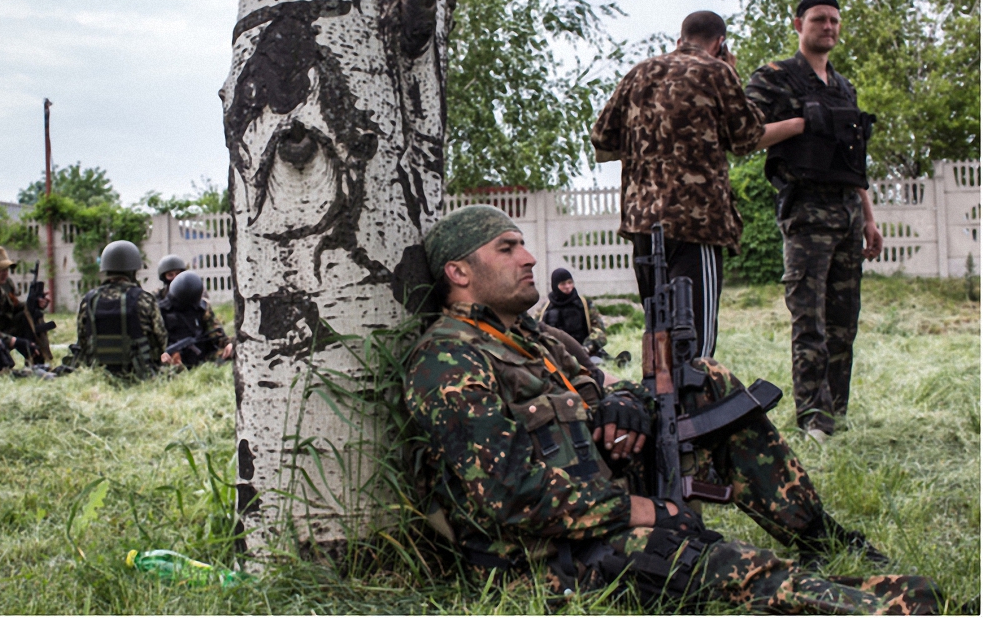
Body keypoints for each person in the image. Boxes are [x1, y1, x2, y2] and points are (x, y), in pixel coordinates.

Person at [403, 204, 942, 613]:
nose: (530, 258)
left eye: (523, 245)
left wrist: (622, 404)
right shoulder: (448, 360)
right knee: (719, 565)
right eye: (507, 247)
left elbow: (601, 380)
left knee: (704, 382)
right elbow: (509, 494)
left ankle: (820, 538)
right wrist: (648, 511)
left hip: (603, 494)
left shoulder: (534, 337)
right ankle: (892, 604)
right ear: (459, 272)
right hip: (546, 552)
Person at [591, 10, 807, 359]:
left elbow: (601, 136)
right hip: (697, 224)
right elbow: (747, 136)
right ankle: (693, 409)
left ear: (680, 39)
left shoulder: (639, 73)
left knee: (658, 341)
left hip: (643, 225)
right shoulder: (717, 71)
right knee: (695, 346)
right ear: (720, 43)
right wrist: (735, 77)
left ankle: (662, 410)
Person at [745, 0, 883, 443]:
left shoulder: (844, 87)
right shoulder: (776, 78)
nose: (829, 27)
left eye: (835, 21)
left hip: (845, 211)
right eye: (820, 20)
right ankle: (813, 420)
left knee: (844, 322)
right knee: (811, 322)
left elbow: (854, 159)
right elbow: (745, 135)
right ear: (798, 24)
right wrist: (803, 122)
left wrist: (869, 218)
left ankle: (836, 415)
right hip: (806, 212)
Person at [72, 240, 167, 378]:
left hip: (98, 375)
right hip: (138, 374)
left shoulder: (89, 299)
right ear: (133, 270)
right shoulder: (144, 299)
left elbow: (82, 340)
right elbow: (161, 339)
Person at [0, 245, 49, 364]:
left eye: (6, 269)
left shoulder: (6, 285)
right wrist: (14, 341)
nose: (5, 273)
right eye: (0, 269)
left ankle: (38, 361)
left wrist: (35, 303)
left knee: (31, 314)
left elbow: (15, 306)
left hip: (4, 332)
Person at [157, 271, 233, 368]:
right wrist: (163, 355)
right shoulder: (162, 311)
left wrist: (228, 344)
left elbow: (217, 334)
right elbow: (156, 344)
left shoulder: (202, 308)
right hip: (174, 361)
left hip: (204, 358)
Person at [538, 268, 607, 359]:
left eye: (570, 282)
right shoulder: (545, 309)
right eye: (563, 284)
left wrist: (586, 347)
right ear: (555, 286)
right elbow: (535, 332)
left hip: (586, 354)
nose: (567, 286)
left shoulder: (585, 305)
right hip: (556, 356)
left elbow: (600, 332)